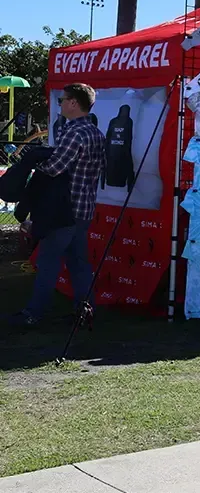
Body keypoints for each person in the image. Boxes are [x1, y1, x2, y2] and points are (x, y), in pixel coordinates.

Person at [9, 83, 105, 327]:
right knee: (78, 263)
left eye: (62, 100)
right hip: (84, 208)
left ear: (74, 103)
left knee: (48, 262)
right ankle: (85, 310)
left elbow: (54, 168)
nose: (60, 103)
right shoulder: (95, 132)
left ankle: (33, 313)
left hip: (64, 209)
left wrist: (30, 164)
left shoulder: (75, 133)